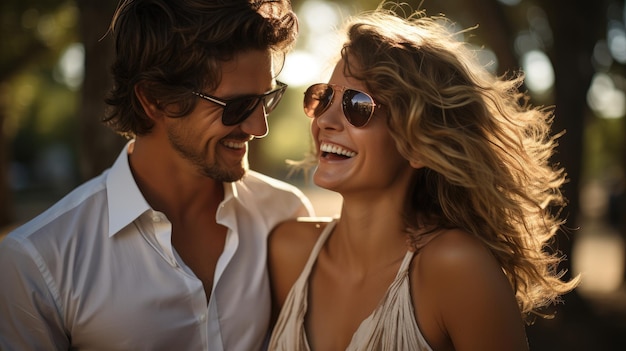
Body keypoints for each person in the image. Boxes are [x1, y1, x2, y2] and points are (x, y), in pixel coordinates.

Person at [0, 0, 314, 350]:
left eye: (267, 99)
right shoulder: (38, 260)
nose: (259, 128)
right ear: (154, 99)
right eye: (238, 107)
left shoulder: (285, 215)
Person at [267, 4, 580, 351]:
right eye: (324, 98)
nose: (326, 120)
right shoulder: (287, 250)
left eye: (357, 106)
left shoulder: (458, 269)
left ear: (418, 145)